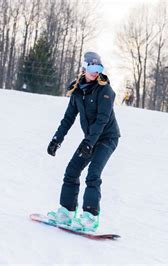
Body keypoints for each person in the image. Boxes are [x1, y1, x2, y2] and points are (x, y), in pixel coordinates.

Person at [46, 51, 120, 232]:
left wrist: (89, 143)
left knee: (93, 173)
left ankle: (90, 217)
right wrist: (57, 139)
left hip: (106, 138)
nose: (95, 73)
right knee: (72, 171)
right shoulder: (78, 91)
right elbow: (68, 118)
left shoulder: (106, 91)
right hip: (90, 139)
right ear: (84, 69)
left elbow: (102, 120)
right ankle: (67, 211)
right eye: (92, 68)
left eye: (99, 69)